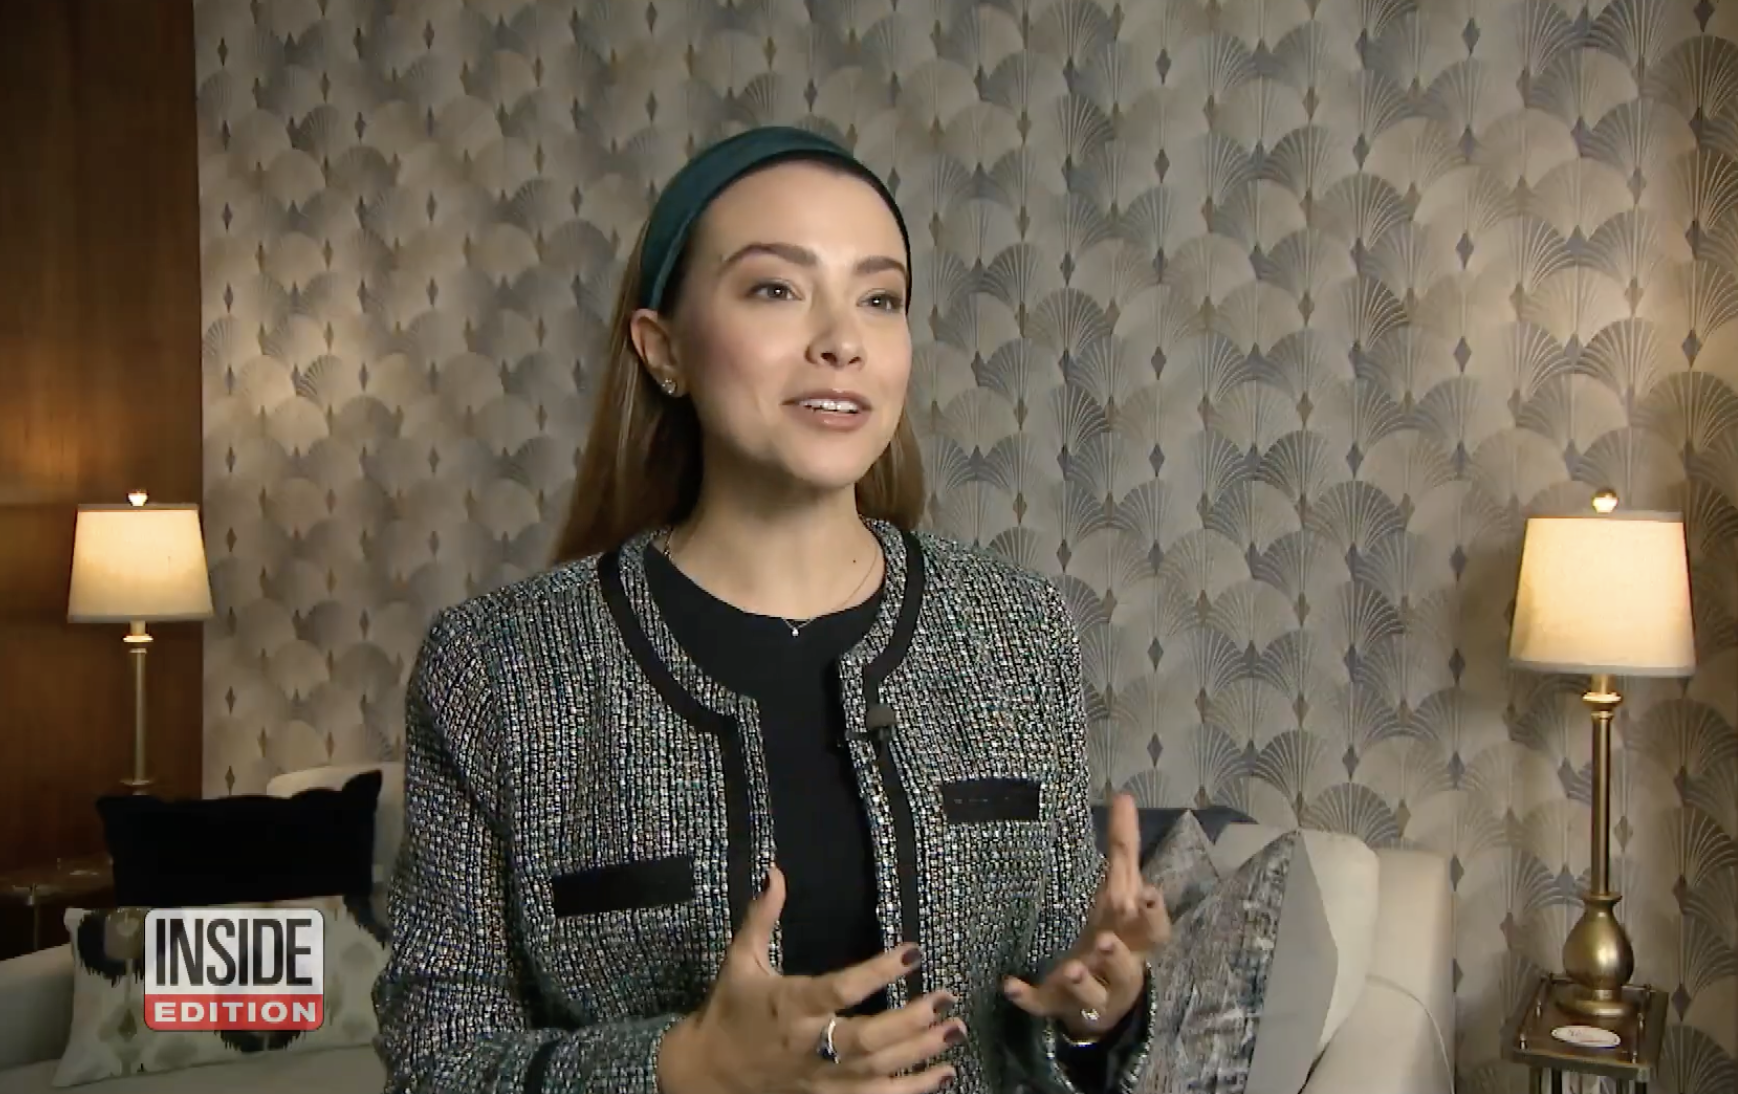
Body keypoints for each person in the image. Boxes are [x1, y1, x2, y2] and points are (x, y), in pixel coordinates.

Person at [371, 126, 1169, 1094]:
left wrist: (1094, 1011)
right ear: (663, 349)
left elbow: (1045, 1013)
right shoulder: (499, 668)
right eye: (776, 289)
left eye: (880, 297)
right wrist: (681, 1066)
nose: (841, 339)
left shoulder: (1017, 630)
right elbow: (435, 1063)